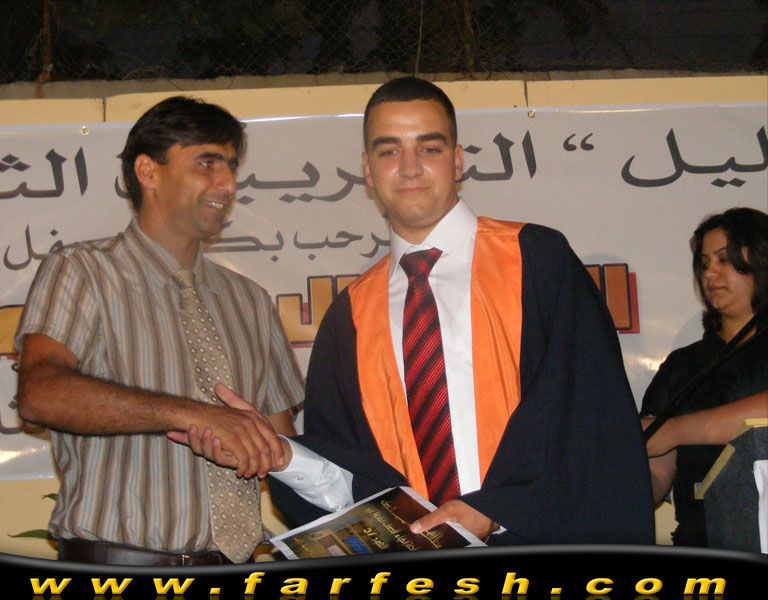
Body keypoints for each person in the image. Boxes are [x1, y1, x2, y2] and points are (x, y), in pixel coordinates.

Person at [184, 77, 654, 544]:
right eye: (389, 151)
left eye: (429, 148)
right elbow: (355, 487)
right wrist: (282, 456)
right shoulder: (349, 319)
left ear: (457, 160)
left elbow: (591, 423)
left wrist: (495, 511)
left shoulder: (537, 261)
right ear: (368, 171)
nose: (409, 168)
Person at [14, 96, 304, 565]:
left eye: (231, 167)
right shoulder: (84, 271)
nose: (227, 184)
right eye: (207, 163)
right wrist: (195, 416)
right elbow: (40, 394)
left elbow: (282, 445)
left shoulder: (251, 301)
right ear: (148, 172)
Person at [640, 207, 768, 548]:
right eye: (704, 263)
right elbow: (657, 469)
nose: (710, 272)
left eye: (724, 259)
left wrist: (675, 430)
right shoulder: (683, 365)